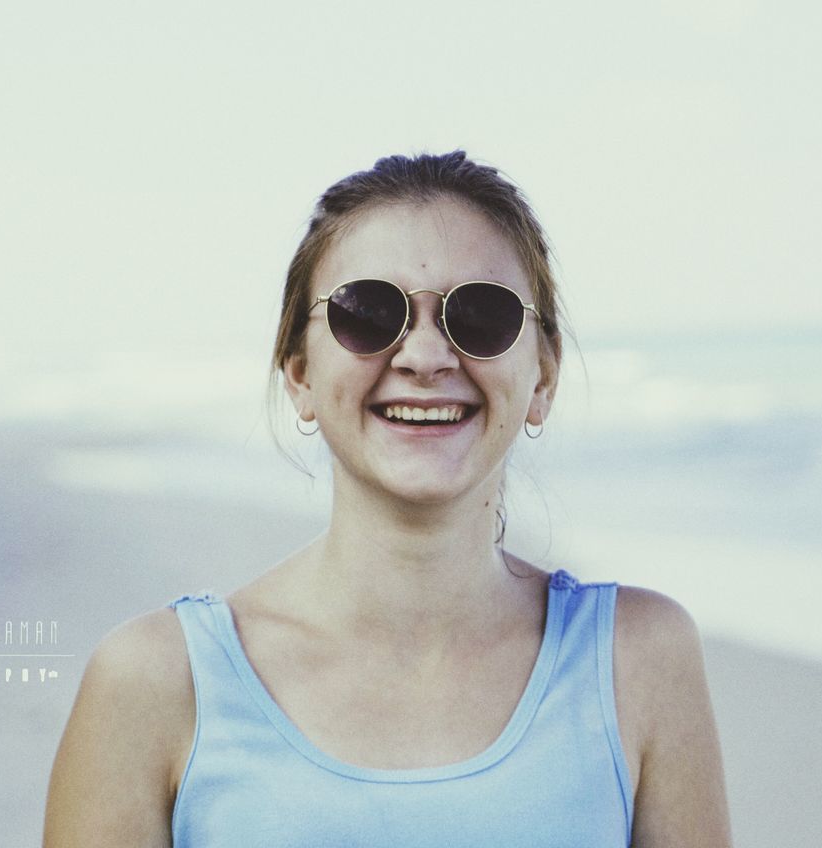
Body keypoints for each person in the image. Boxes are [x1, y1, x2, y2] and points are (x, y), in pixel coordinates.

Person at [43, 151, 732, 847]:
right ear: (301, 372)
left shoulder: (639, 662)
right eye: (368, 314)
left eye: (481, 315)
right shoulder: (156, 682)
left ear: (543, 376)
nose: (425, 357)